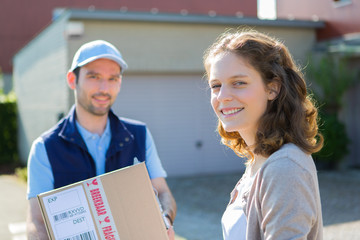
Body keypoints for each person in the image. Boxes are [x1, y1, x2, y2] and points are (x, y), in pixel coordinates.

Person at [26, 40, 176, 239]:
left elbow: (163, 193)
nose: (104, 88)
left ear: (119, 83)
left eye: (113, 78)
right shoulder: (45, 148)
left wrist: (164, 221)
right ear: (72, 80)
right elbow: (36, 222)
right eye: (94, 76)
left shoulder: (140, 135)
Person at [203, 30, 324, 239]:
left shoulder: (285, 166)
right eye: (216, 86)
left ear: (272, 88)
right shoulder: (258, 162)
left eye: (239, 83)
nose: (222, 96)